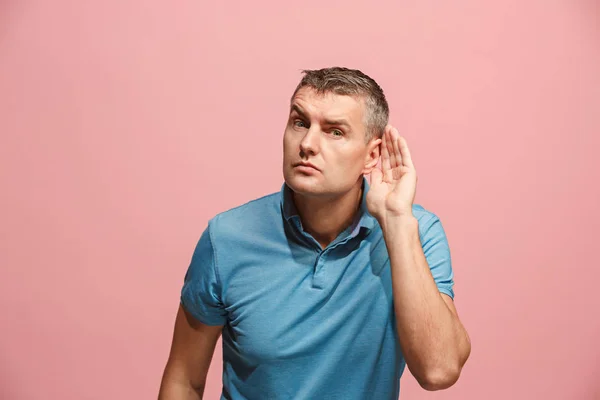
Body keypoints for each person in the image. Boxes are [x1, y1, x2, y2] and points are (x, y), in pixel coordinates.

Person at [158, 67, 471, 400]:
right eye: (300, 122)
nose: (307, 144)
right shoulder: (226, 237)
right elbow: (184, 380)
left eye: (335, 132)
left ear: (372, 155)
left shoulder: (416, 232)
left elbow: (439, 371)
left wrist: (396, 222)